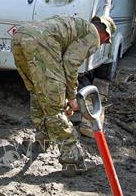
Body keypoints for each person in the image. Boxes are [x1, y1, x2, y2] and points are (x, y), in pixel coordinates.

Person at [11, 15, 116, 174]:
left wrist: (65, 92)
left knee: (39, 94)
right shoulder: (93, 34)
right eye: (104, 42)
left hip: (20, 36)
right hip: (41, 43)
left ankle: (42, 140)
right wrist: (72, 97)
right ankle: (73, 160)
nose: (101, 45)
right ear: (105, 35)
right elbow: (70, 63)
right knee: (55, 109)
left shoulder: (76, 25)